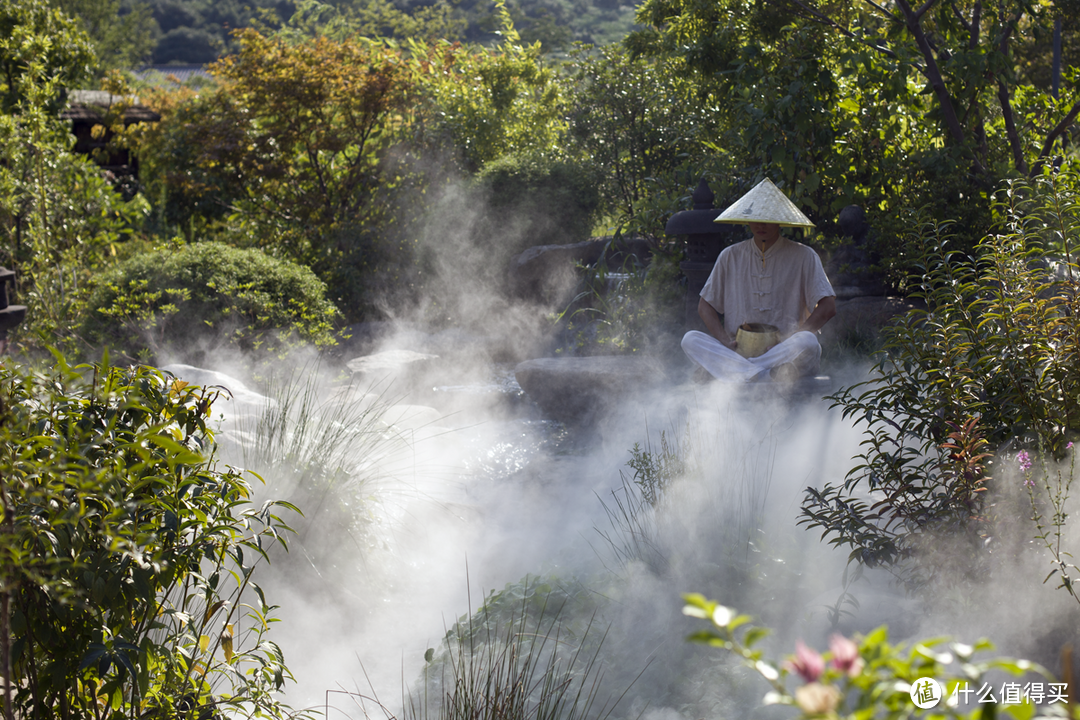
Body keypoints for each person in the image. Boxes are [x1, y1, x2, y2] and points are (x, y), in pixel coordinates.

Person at [681, 178, 836, 382]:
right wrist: (725, 342)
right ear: (747, 218)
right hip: (738, 352)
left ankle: (739, 374)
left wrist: (789, 340)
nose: (761, 224)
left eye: (768, 218)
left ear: (780, 219)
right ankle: (761, 376)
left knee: (808, 342)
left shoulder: (804, 256)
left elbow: (828, 307)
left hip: (783, 354)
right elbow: (704, 306)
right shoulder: (730, 256)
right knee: (690, 339)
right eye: (755, 217)